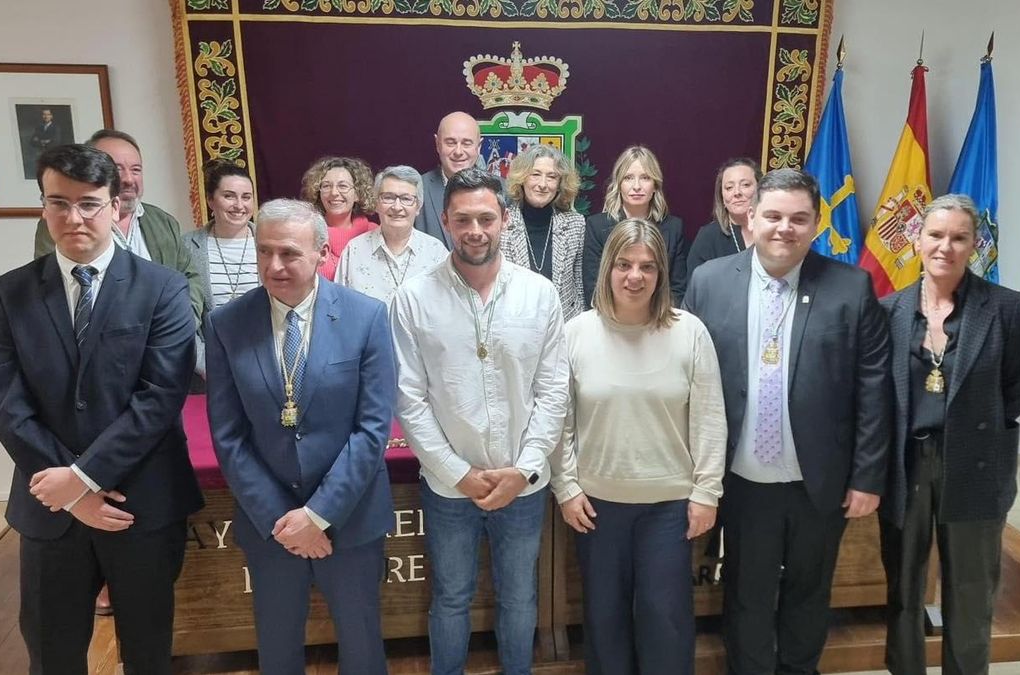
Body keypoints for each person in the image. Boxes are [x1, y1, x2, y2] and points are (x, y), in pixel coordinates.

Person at [0, 143, 202, 674]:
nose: (73, 217)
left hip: (141, 501)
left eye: (89, 204)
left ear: (116, 207)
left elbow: (159, 398)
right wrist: (68, 491)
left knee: (148, 651)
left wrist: (82, 477)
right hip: (48, 505)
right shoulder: (10, 293)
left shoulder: (163, 289)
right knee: (52, 652)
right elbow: (7, 402)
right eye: (59, 203)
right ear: (43, 206)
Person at [683, 167, 892, 675]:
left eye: (799, 219)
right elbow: (685, 380)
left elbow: (873, 389)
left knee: (808, 591)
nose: (784, 228)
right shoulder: (710, 282)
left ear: (816, 225)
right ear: (750, 219)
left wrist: (867, 476)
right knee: (747, 592)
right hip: (742, 477)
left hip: (819, 480)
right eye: (773, 216)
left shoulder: (851, 288)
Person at [205, 198, 396, 675]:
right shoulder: (227, 324)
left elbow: (372, 429)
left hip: (349, 519)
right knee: (277, 644)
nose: (275, 266)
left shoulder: (366, 317)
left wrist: (319, 514)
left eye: (289, 253)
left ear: (321, 252)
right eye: (264, 252)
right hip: (271, 526)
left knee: (361, 643)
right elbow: (228, 436)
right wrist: (285, 520)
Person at [391, 167, 569, 675]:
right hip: (450, 490)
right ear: (444, 220)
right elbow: (410, 400)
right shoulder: (413, 299)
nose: (475, 230)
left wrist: (526, 469)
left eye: (486, 218)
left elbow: (553, 391)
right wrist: (458, 473)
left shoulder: (540, 295)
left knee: (519, 600)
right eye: (463, 219)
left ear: (505, 220)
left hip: (523, 484)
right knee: (450, 599)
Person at [552, 218, 726, 674]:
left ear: (661, 274)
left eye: (648, 267)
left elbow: (709, 417)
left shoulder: (689, 332)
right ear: (607, 268)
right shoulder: (576, 333)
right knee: (604, 621)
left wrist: (707, 492)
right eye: (624, 264)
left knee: (664, 621)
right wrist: (566, 487)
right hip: (596, 506)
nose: (635, 276)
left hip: (668, 507)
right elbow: (559, 420)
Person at [878, 194, 1020, 675]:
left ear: (974, 244)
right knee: (904, 589)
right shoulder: (889, 310)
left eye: (959, 237)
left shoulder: (1005, 309)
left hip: (976, 464)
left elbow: (1015, 392)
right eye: (936, 235)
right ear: (916, 240)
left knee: (970, 592)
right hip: (907, 466)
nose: (946, 246)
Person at [34, 129, 204, 324]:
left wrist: (180, 323)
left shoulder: (162, 221)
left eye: (136, 169)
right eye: (117, 169)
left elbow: (189, 278)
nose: (129, 179)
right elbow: (58, 289)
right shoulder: (63, 225)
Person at [583, 145, 687, 308]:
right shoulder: (597, 226)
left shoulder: (673, 228)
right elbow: (593, 288)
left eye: (645, 177)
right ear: (619, 184)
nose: (636, 186)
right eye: (628, 178)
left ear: (655, 185)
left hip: (658, 322)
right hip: (610, 320)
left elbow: (677, 289)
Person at [183, 160, 258, 378]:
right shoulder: (187, 247)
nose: (239, 205)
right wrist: (207, 365)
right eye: (229, 196)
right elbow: (182, 316)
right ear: (210, 200)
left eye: (246, 197)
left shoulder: (270, 242)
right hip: (210, 369)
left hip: (266, 363)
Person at [337, 165, 448, 305]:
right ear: (376, 204)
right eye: (388, 197)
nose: (397, 207)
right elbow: (339, 307)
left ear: (418, 206)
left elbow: (447, 307)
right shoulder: (354, 251)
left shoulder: (435, 251)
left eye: (406, 199)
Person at [500, 144, 586, 320]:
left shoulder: (575, 224)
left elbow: (580, 284)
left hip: (566, 328)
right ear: (522, 178)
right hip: (516, 328)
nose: (542, 184)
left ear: (560, 184)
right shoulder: (502, 225)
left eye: (552, 177)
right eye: (535, 174)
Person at [298, 155, 379, 280]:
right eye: (326, 186)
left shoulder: (375, 233)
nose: (334, 193)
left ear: (358, 194)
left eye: (343, 186)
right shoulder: (306, 233)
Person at [686, 158, 760, 289]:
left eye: (745, 185)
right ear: (722, 197)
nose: (737, 192)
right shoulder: (708, 236)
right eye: (729, 187)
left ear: (760, 189)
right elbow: (696, 289)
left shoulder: (773, 230)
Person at [414, 111, 483, 249]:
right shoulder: (415, 189)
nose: (458, 151)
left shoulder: (502, 190)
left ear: (479, 146)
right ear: (437, 144)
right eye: (450, 143)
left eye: (466, 143)